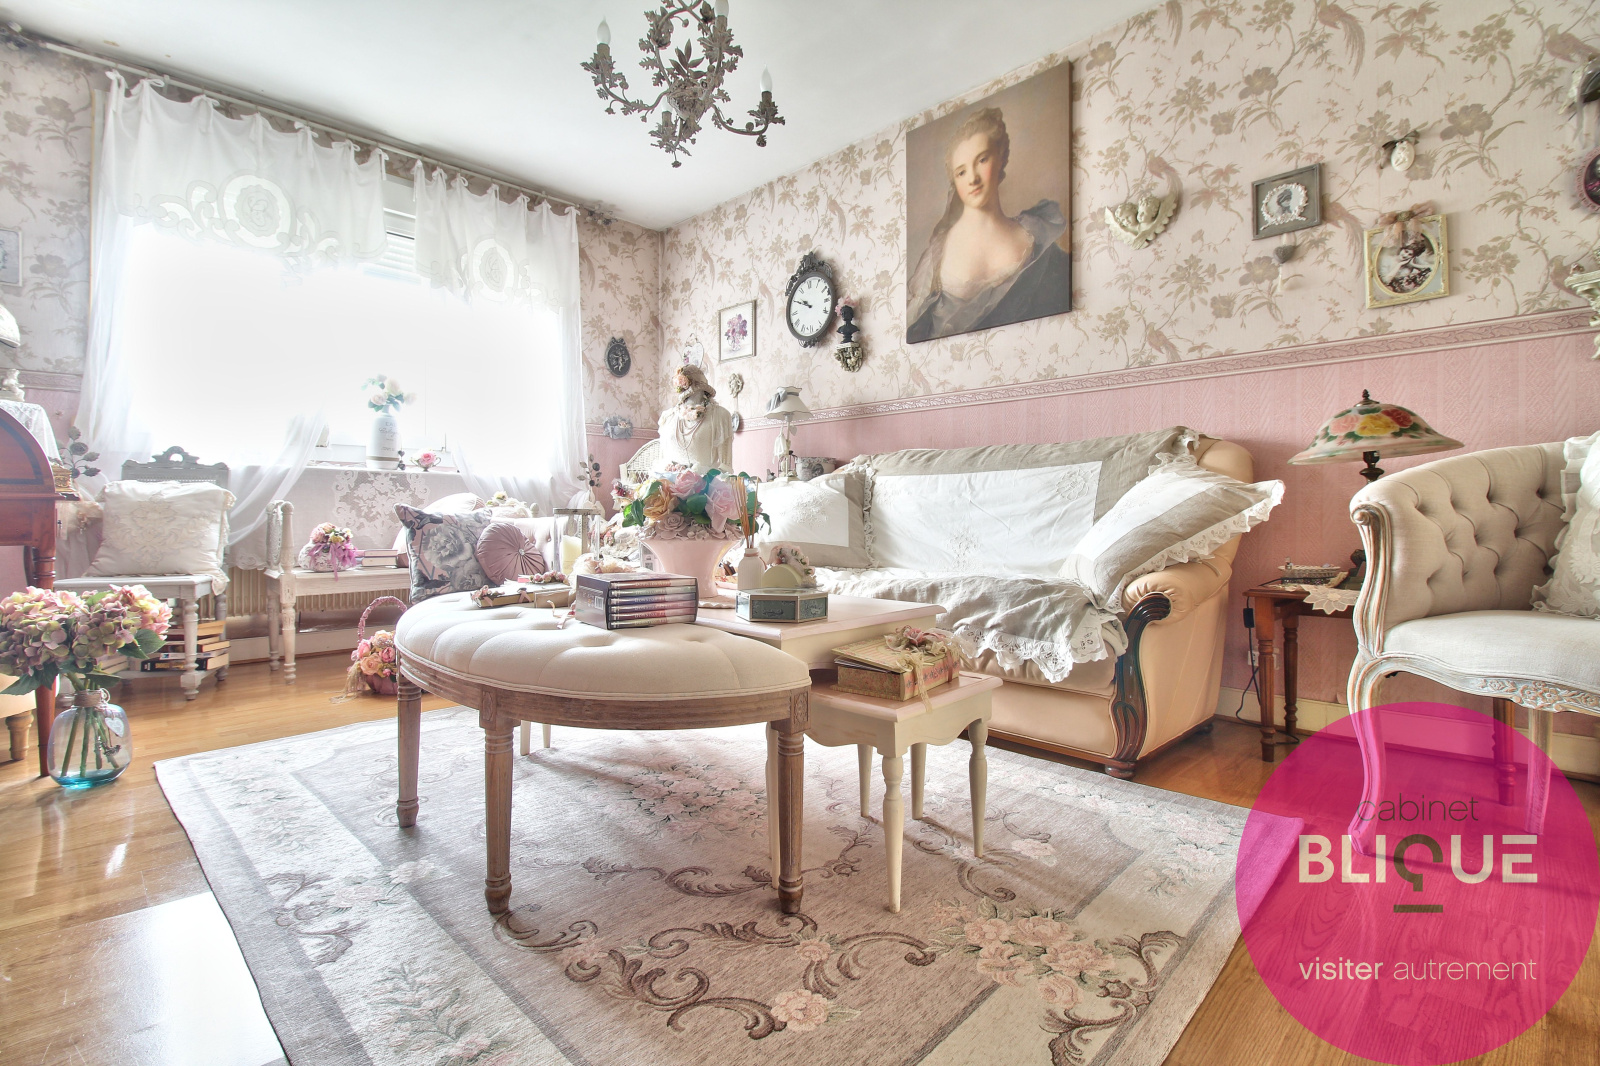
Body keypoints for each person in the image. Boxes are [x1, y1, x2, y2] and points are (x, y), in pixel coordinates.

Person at [907, 107, 1071, 343]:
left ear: (1001, 157)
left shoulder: (1037, 233)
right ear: (954, 180)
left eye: (982, 160)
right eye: (961, 172)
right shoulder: (939, 250)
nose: (973, 178)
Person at [656, 363, 733, 474]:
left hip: (705, 483)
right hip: (669, 482)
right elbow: (662, 458)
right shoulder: (668, 417)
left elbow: (725, 467)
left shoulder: (719, 415)